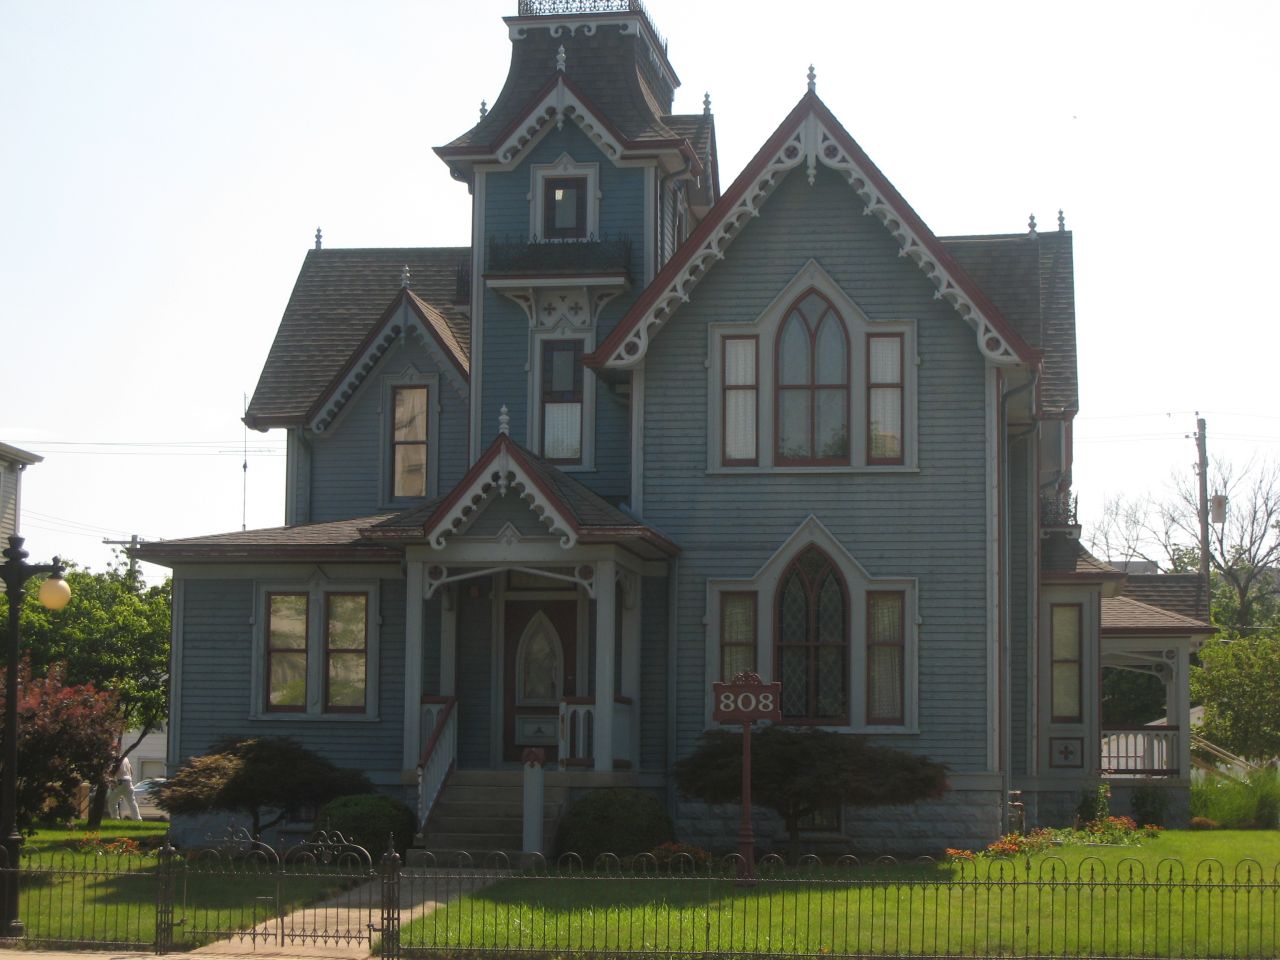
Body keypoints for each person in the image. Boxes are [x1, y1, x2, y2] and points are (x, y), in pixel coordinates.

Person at [107, 752, 142, 820]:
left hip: (119, 782)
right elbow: (131, 771)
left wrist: (111, 780)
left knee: (112, 802)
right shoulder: (125, 759)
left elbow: (112, 773)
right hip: (128, 781)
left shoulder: (116, 760)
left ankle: (115, 817)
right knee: (131, 802)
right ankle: (137, 818)